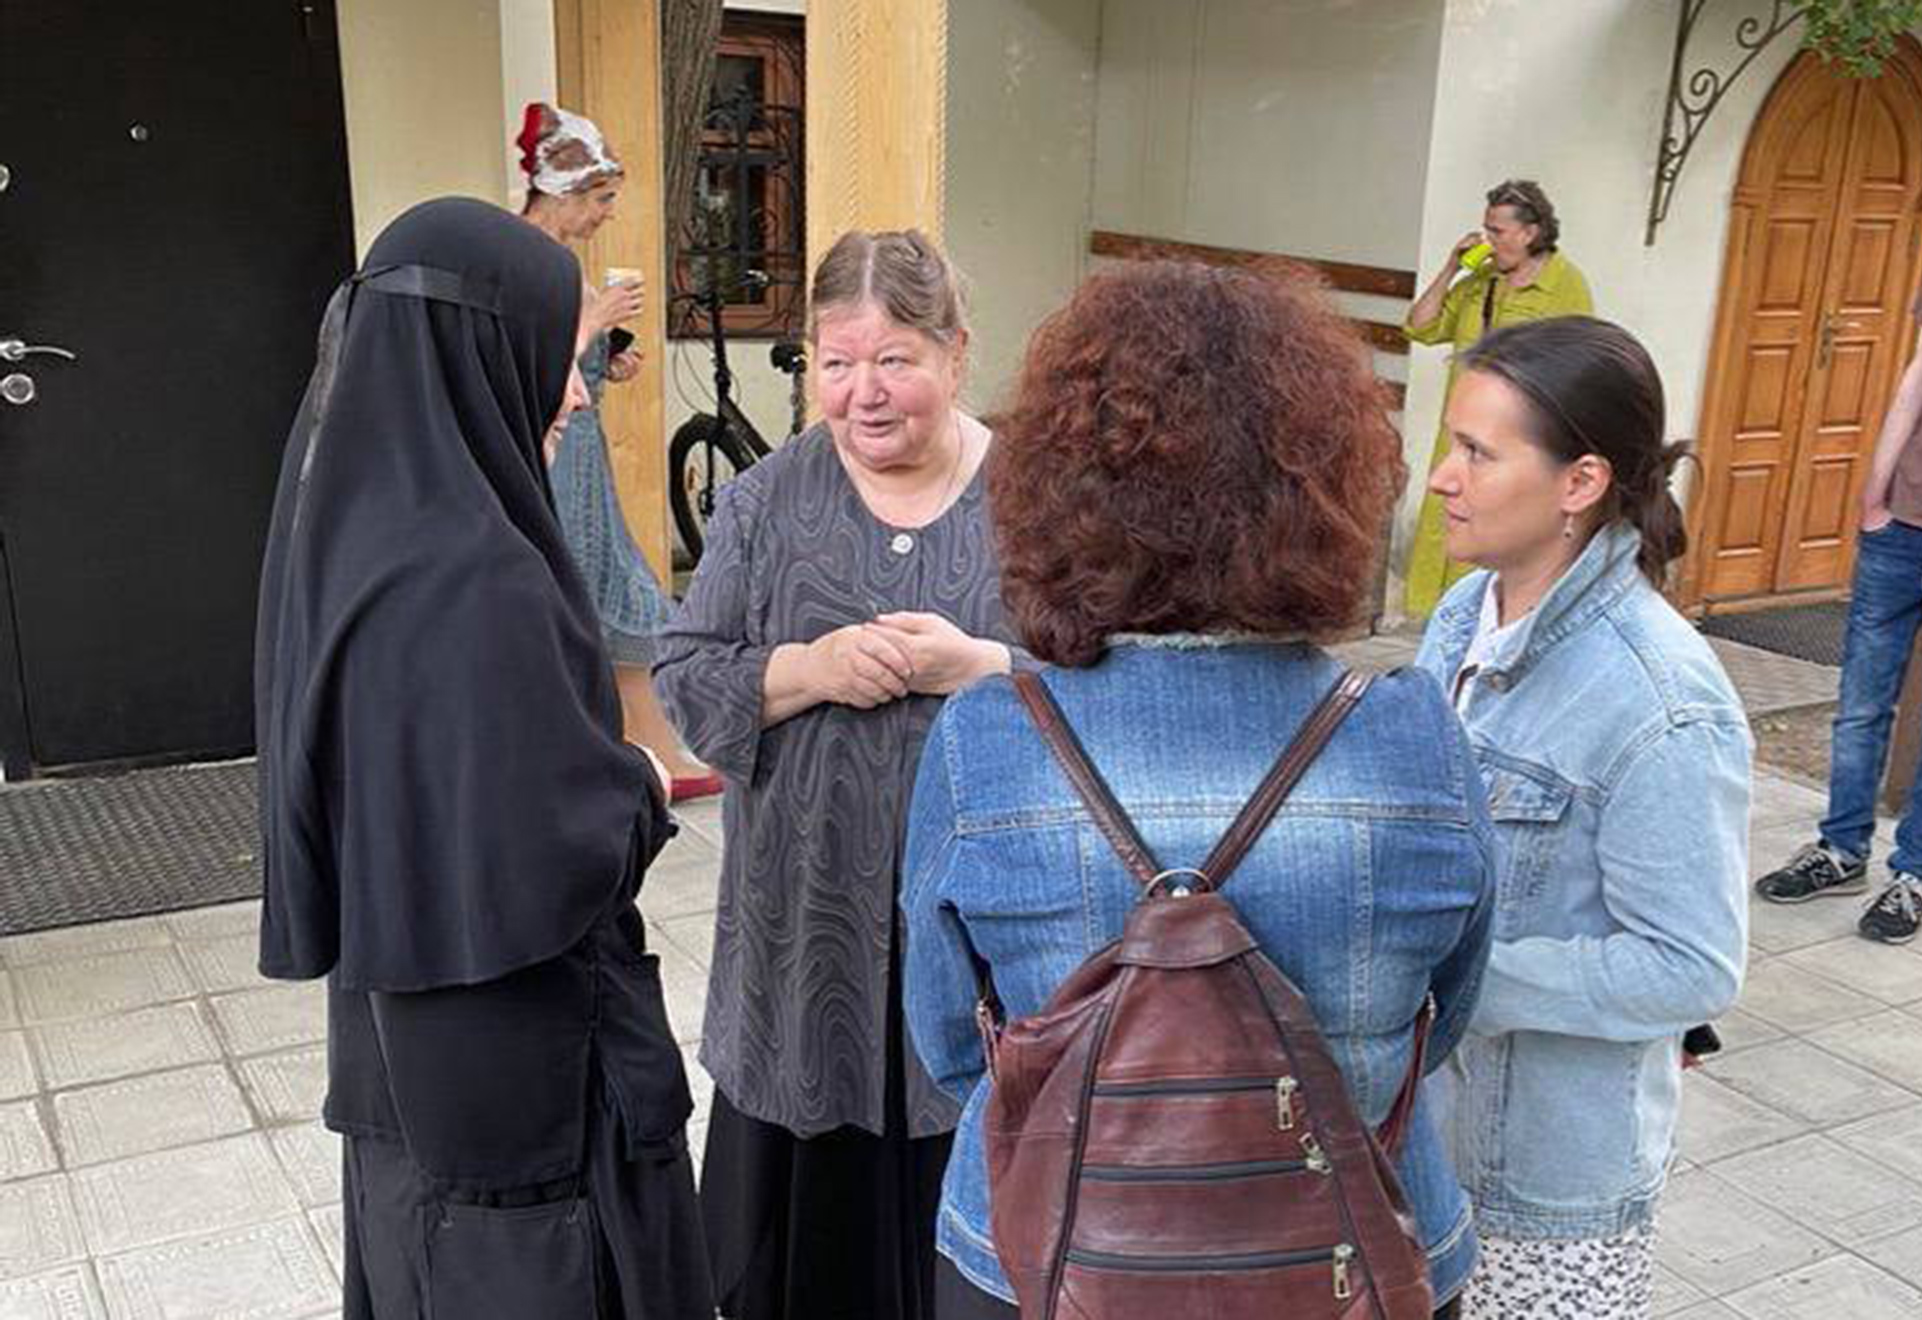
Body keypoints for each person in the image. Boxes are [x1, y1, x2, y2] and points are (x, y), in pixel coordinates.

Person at [901, 259, 1497, 1320]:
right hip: (1359, 1258)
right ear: (1331, 491)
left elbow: (953, 1044)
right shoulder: (1413, 737)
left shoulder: (990, 739)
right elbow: (1440, 1017)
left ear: (1054, 492)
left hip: (1048, 1263)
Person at [256, 197, 712, 1318]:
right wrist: (644, 784)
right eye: (557, 354)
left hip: (398, 1052)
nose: (573, 394)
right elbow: (547, 853)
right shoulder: (481, 578)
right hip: (525, 1085)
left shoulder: (342, 538)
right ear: (478, 352)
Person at [653, 229, 1024, 1320]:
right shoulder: (767, 502)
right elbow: (685, 674)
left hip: (986, 938)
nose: (864, 393)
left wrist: (979, 666)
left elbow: (1108, 681)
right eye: (837, 361)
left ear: (956, 352)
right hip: (801, 932)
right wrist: (806, 669)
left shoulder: (1032, 501)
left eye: (895, 360)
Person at [1413, 316, 1750, 1319]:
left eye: (1477, 452)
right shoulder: (1461, 614)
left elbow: (1689, 967)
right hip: (1425, 1141)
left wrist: (1453, 978)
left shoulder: (1661, 702)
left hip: (1545, 1186)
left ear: (1580, 482)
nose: (1441, 477)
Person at [1753, 176, 1922, 944]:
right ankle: (1840, 850)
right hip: (1903, 523)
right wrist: (1874, 494)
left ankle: (1915, 876)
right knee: (1860, 706)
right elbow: (1921, 369)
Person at [518, 100, 723, 801]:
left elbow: (567, 363)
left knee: (615, 592)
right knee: (593, 595)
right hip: (556, 462)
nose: (608, 214)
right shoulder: (527, 261)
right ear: (564, 190)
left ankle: (651, 756)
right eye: (602, 198)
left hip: (581, 457)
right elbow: (524, 365)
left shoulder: (557, 262)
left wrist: (608, 358)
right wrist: (594, 324)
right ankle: (630, 758)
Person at [1404, 180, 1594, 619]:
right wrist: (1452, 268)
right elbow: (1419, 327)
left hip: (1515, 440)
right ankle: (1444, 618)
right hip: (1460, 435)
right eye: (1486, 229)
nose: (1488, 240)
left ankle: (1493, 620)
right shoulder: (1481, 281)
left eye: (1498, 231)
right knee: (1450, 522)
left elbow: (1578, 365)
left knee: (1497, 531)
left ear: (1530, 233)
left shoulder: (1564, 285)